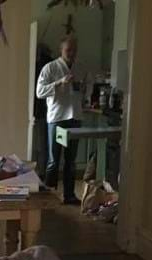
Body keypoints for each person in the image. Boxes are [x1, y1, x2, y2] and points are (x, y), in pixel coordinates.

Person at [36, 35, 87, 205]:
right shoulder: (50, 68)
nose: (71, 53)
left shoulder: (80, 67)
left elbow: (87, 87)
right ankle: (48, 196)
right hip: (58, 119)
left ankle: (69, 194)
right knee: (54, 160)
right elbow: (40, 92)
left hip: (75, 118)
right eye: (68, 50)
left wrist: (85, 89)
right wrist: (59, 83)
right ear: (61, 50)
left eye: (74, 50)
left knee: (71, 161)